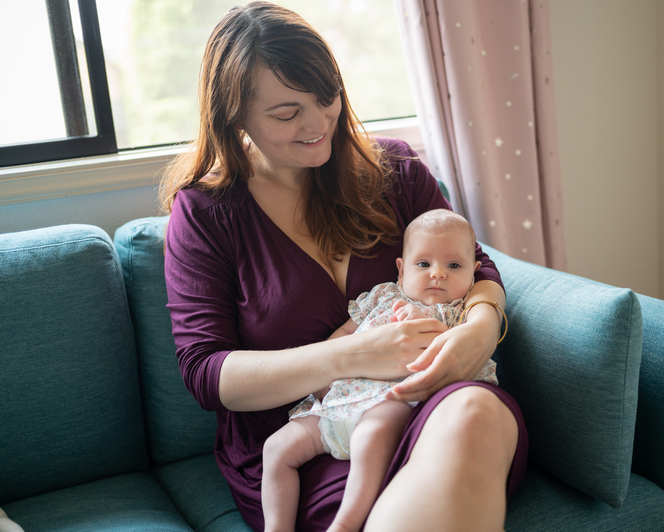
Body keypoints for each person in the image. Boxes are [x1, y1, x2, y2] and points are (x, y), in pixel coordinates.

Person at [159, 2, 528, 531]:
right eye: (287, 113)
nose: (317, 124)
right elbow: (206, 372)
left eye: (326, 97)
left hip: (437, 400)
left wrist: (482, 329)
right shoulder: (207, 214)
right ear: (234, 115)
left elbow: (476, 262)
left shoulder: (394, 170)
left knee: (476, 413)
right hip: (316, 434)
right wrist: (350, 354)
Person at [261, 209, 502, 532]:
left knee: (371, 434)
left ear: (474, 274)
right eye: (423, 264)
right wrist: (323, 377)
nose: (437, 274)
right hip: (337, 404)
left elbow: (456, 364)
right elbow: (343, 336)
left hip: (392, 405)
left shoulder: (460, 315)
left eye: (454, 266)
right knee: (276, 448)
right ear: (401, 270)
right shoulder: (382, 296)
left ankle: (346, 522)